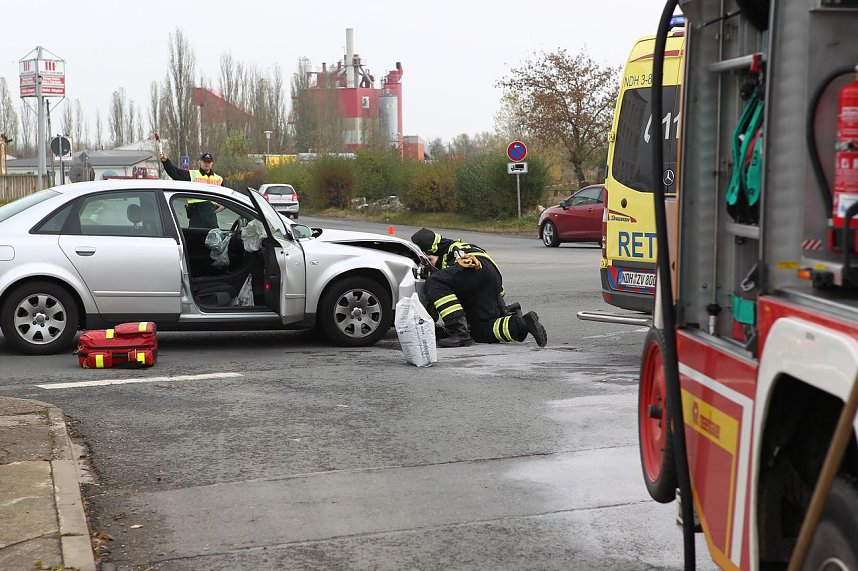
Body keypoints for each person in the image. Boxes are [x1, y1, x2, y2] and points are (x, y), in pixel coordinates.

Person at [410, 228, 547, 348]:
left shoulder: (450, 251)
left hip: (473, 269)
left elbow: (447, 284)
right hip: (491, 276)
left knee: (434, 282)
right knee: (479, 331)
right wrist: (501, 309)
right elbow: (493, 286)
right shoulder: (460, 245)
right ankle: (522, 322)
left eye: (429, 259)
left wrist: (434, 269)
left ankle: (458, 331)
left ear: (430, 252)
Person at [159, 151, 224, 227]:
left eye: (209, 162)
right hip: (196, 216)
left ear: (212, 163)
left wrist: (223, 206)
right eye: (205, 161)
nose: (207, 163)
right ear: (200, 162)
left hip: (211, 217)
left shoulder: (219, 179)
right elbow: (175, 173)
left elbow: (226, 196)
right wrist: (166, 162)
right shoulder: (192, 174)